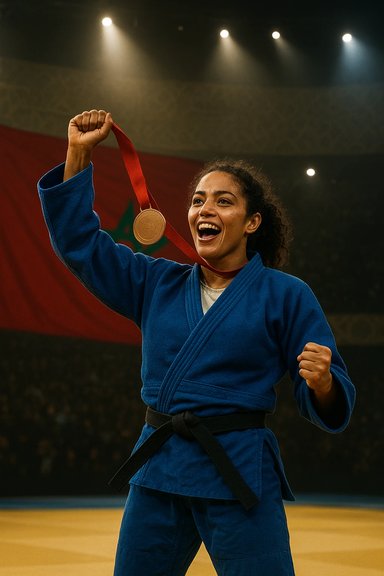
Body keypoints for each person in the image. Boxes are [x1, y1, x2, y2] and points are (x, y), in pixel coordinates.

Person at [38, 109, 355, 576]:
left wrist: (323, 382)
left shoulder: (287, 295)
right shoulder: (156, 283)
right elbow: (80, 245)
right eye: (198, 200)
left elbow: (330, 398)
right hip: (160, 467)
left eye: (223, 202)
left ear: (252, 223)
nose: (205, 210)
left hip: (240, 471)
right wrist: (79, 153)